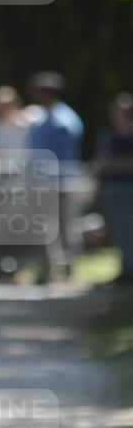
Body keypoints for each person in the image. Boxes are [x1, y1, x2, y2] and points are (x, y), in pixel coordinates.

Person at [25, 71, 84, 282]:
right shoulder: (42, 117)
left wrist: (54, 181)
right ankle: (47, 269)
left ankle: (67, 270)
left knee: (65, 227)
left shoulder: (63, 121)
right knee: (44, 228)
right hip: (44, 183)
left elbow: (65, 157)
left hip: (59, 184)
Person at [93, 91, 133, 285]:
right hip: (111, 190)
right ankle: (126, 267)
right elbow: (100, 163)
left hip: (128, 190)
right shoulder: (107, 136)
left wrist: (115, 162)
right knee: (119, 231)